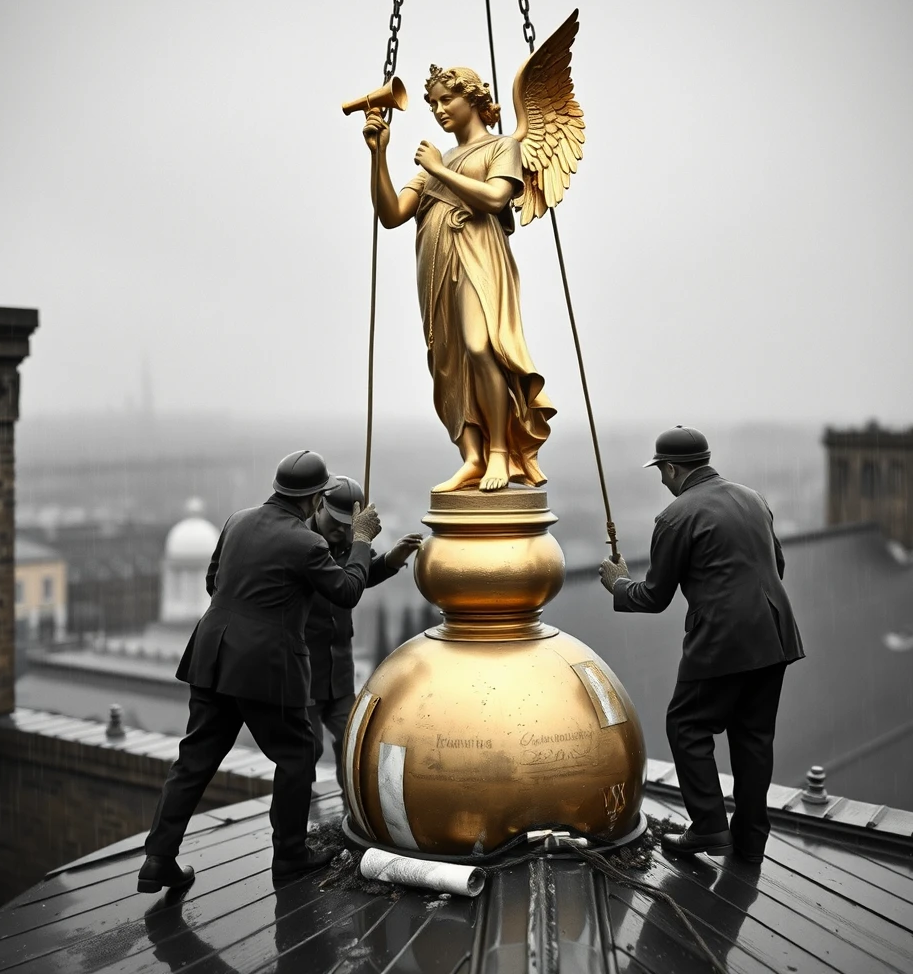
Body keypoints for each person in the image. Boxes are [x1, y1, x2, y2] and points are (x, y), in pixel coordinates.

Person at [136, 449, 382, 892]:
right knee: (296, 754)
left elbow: (214, 582)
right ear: (313, 501)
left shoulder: (236, 520)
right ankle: (290, 856)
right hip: (266, 666)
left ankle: (158, 857)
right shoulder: (306, 543)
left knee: (194, 761)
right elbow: (346, 591)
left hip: (212, 656)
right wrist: (361, 540)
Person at [598, 426, 805, 863]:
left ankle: (710, 826)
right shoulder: (752, 498)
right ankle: (750, 839)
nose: (661, 480)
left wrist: (618, 584)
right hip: (774, 636)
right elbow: (777, 565)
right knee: (752, 738)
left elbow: (654, 597)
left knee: (686, 725)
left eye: (661, 471)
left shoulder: (676, 516)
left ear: (672, 468)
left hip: (722, 642)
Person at [362, 65, 555, 492]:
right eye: (432, 103)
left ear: (472, 100)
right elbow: (392, 214)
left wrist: (439, 170)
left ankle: (501, 452)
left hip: (478, 256)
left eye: (446, 99)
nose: (437, 109)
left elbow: (497, 196)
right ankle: (472, 456)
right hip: (435, 265)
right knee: (448, 360)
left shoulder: (501, 146)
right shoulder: (436, 161)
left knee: (480, 344)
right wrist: (379, 154)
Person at [305, 475, 423, 787]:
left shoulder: (348, 543)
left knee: (353, 745)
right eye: (336, 520)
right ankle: (296, 820)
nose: (343, 530)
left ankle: (351, 814)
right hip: (302, 670)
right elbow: (343, 585)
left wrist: (392, 559)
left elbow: (360, 575)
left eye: (350, 524)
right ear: (319, 506)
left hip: (339, 670)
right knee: (306, 749)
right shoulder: (301, 543)